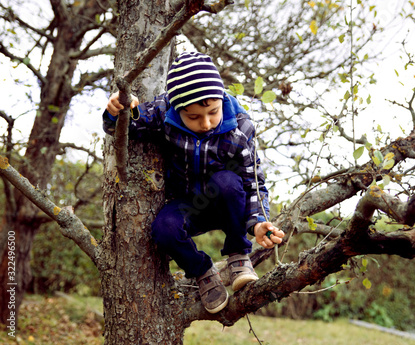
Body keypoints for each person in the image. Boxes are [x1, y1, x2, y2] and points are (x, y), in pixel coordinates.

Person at [103, 52, 284, 314]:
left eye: (213, 112)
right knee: (163, 229)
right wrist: (119, 111)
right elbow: (127, 125)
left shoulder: (240, 127)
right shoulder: (165, 113)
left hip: (226, 202)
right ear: (177, 109)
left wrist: (257, 221)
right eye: (194, 117)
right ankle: (202, 271)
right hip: (187, 203)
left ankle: (238, 255)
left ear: (222, 100)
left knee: (229, 182)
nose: (207, 122)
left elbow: (253, 181)